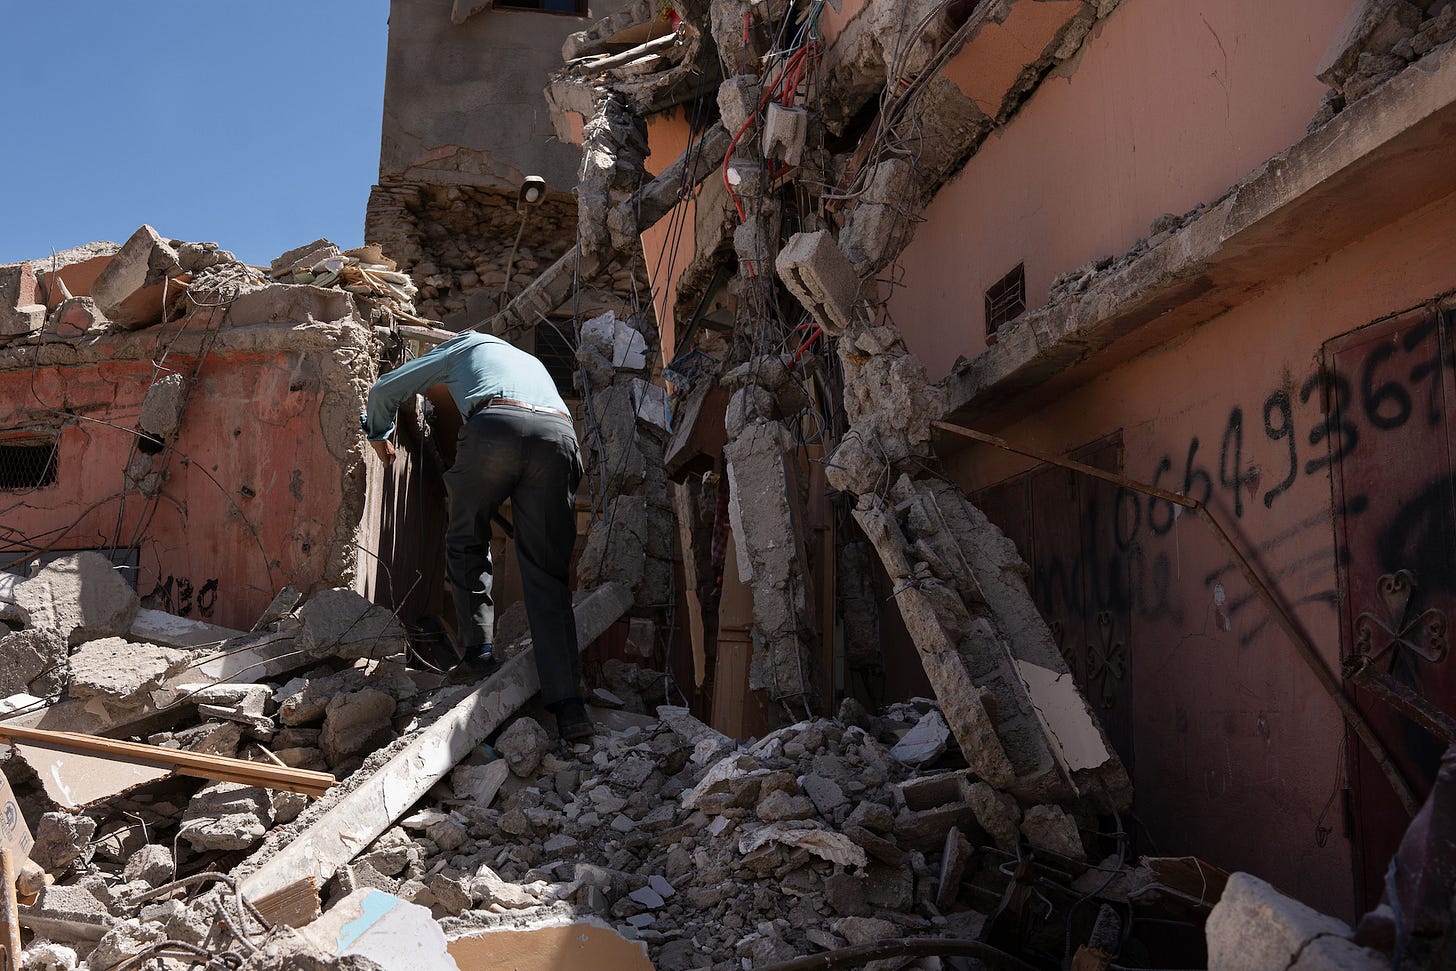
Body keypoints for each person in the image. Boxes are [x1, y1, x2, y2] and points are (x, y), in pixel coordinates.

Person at [362, 330, 591, 740]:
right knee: (547, 574)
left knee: (467, 538)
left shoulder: (462, 345)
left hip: (494, 427)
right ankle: (570, 708)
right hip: (559, 437)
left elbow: (386, 388)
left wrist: (378, 435)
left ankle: (478, 653)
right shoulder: (530, 362)